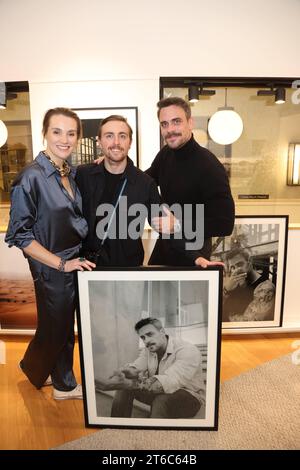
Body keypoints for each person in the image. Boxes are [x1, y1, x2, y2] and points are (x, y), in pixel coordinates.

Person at [5, 107, 95, 400]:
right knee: (56, 329)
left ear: (78, 137)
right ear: (44, 133)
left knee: (62, 327)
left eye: (71, 133)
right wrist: (62, 264)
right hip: (52, 266)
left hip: (72, 261)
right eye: (57, 131)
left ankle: (53, 378)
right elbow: (19, 235)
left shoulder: (69, 172)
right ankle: (51, 378)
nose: (64, 139)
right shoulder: (30, 177)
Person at [75, 115, 176, 267]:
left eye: (122, 136)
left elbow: (165, 223)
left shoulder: (145, 183)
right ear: (99, 142)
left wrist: (195, 257)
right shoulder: (82, 175)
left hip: (127, 271)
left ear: (130, 142)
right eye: (109, 136)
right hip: (85, 267)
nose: (116, 142)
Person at [146, 96, 235, 267]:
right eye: (164, 124)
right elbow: (144, 180)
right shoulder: (166, 154)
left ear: (190, 123)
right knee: (150, 293)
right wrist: (113, 164)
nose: (170, 129)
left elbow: (224, 223)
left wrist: (178, 224)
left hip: (195, 257)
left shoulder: (209, 166)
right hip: (166, 246)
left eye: (176, 122)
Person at [96, 317, 206, 419]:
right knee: (124, 390)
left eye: (150, 334)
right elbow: (138, 367)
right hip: (160, 392)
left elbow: (167, 382)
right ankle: (116, 427)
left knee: (161, 400)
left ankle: (154, 436)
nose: (146, 341)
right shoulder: (149, 350)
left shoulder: (187, 350)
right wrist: (126, 372)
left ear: (162, 332)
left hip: (190, 398)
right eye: (143, 337)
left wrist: (126, 384)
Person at [222, 247, 275, 322]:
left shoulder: (265, 287)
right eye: (233, 267)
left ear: (249, 262)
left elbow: (250, 321)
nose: (236, 270)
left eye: (240, 264)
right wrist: (226, 290)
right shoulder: (234, 286)